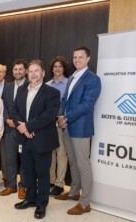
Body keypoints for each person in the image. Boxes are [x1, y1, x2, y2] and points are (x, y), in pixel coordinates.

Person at [56, 46, 101, 215]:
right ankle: (74, 192)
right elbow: (64, 100)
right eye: (75, 57)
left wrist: (66, 118)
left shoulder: (92, 79)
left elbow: (87, 105)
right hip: (67, 126)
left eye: (81, 57)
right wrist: (61, 116)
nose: (77, 60)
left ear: (88, 59)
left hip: (80, 128)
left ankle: (84, 203)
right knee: (73, 162)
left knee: (83, 165)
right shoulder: (72, 77)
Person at [12, 60, 60, 219]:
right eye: (31, 71)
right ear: (27, 73)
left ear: (43, 73)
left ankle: (41, 204)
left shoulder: (52, 92)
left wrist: (29, 127)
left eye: (37, 71)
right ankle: (30, 199)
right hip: (25, 139)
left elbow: (49, 115)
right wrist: (22, 128)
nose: (33, 74)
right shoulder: (21, 90)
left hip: (42, 139)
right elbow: (14, 111)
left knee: (42, 173)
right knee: (28, 172)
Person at [0, 59, 28, 199]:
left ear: (25, 71)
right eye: (15, 69)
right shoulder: (8, 86)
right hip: (9, 128)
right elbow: (3, 105)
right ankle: (11, 185)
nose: (18, 72)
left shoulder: (31, 86)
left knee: (24, 159)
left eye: (20, 69)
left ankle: (23, 186)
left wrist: (20, 123)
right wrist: (6, 119)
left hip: (24, 129)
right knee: (10, 158)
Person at [46, 56, 69, 196]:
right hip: (49, 123)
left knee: (61, 153)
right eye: (55, 66)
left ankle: (60, 183)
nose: (57, 69)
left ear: (63, 68)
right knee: (50, 153)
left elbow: (71, 103)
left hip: (62, 122)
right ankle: (50, 180)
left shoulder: (69, 83)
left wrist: (64, 117)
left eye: (60, 66)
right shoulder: (47, 85)